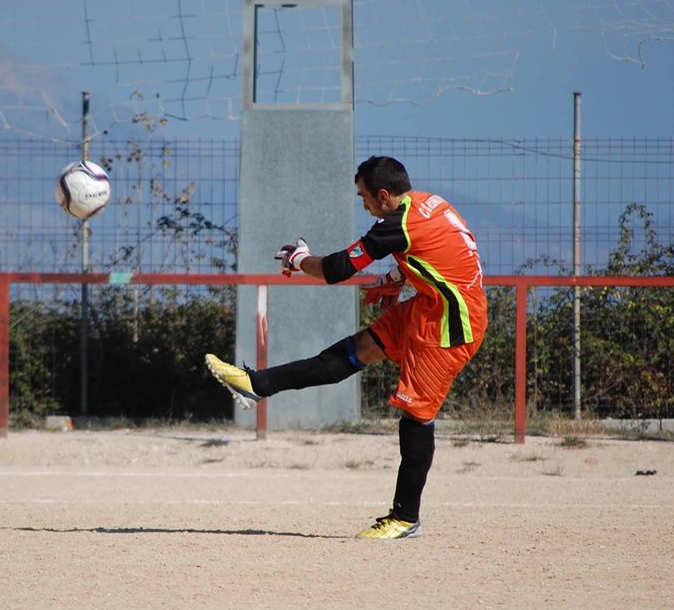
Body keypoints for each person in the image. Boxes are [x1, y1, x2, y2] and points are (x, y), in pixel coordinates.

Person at [205, 155, 487, 540]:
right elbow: (444, 251)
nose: (364, 206)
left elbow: (337, 269)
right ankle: (254, 385)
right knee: (354, 351)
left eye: (364, 198)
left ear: (384, 194)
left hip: (450, 327)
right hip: (430, 307)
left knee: (417, 417)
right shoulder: (428, 203)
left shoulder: (395, 224)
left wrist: (299, 258)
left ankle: (406, 519)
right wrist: (394, 275)